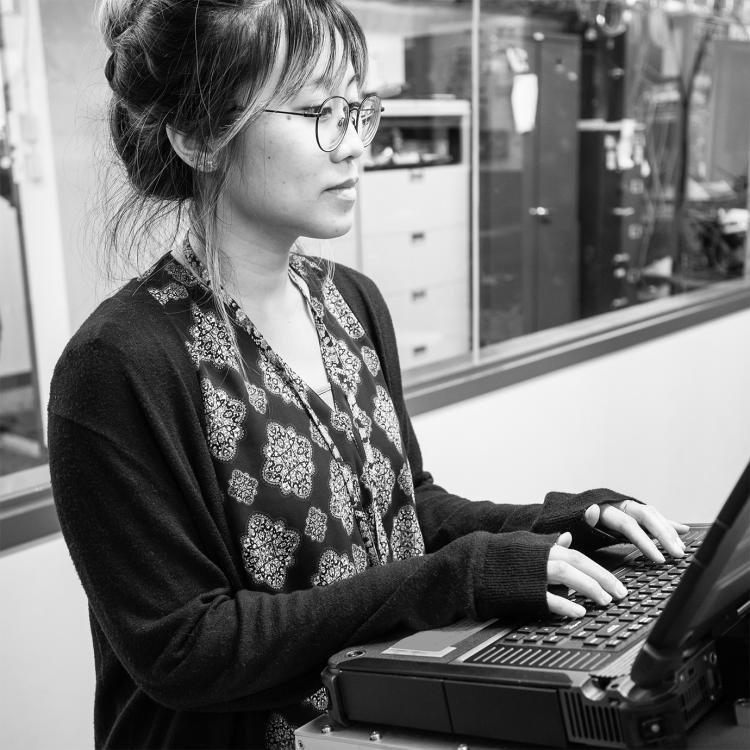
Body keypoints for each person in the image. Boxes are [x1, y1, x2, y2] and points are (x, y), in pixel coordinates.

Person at [47, 1, 690, 748]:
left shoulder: (349, 300)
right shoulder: (118, 364)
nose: (355, 144)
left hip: (377, 727)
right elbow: (187, 649)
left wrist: (556, 526)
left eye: (359, 109)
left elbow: (402, 509)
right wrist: (458, 577)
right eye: (321, 110)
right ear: (197, 135)